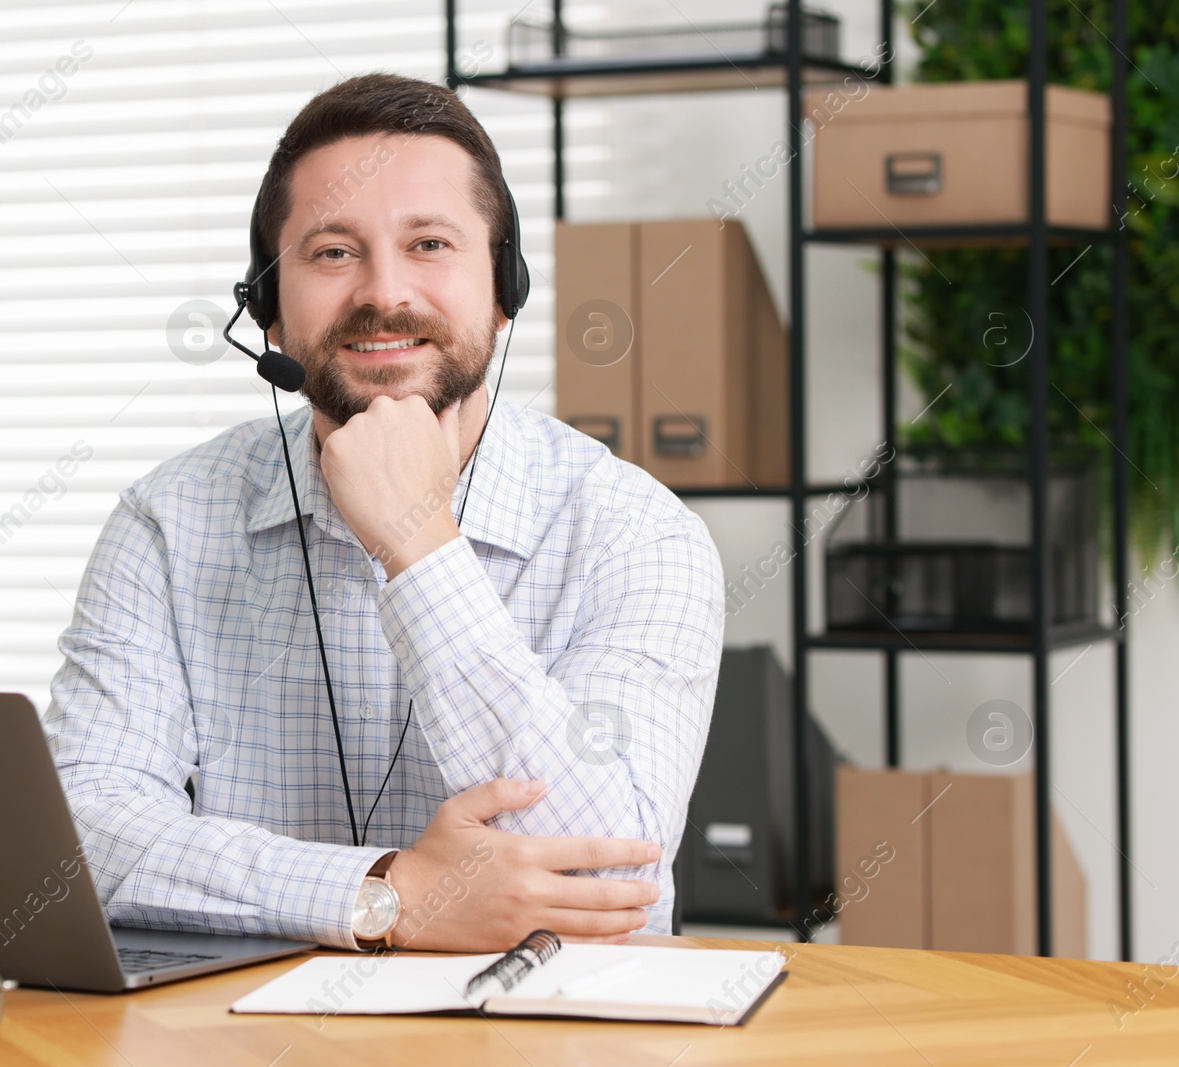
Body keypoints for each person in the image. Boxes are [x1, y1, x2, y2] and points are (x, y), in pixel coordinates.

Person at [44, 72, 723, 953]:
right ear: (268, 309)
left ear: (504, 287)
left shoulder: (637, 531)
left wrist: (420, 542)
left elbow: (602, 877)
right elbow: (81, 839)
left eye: (431, 243)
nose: (384, 293)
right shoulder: (169, 522)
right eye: (332, 252)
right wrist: (384, 893)